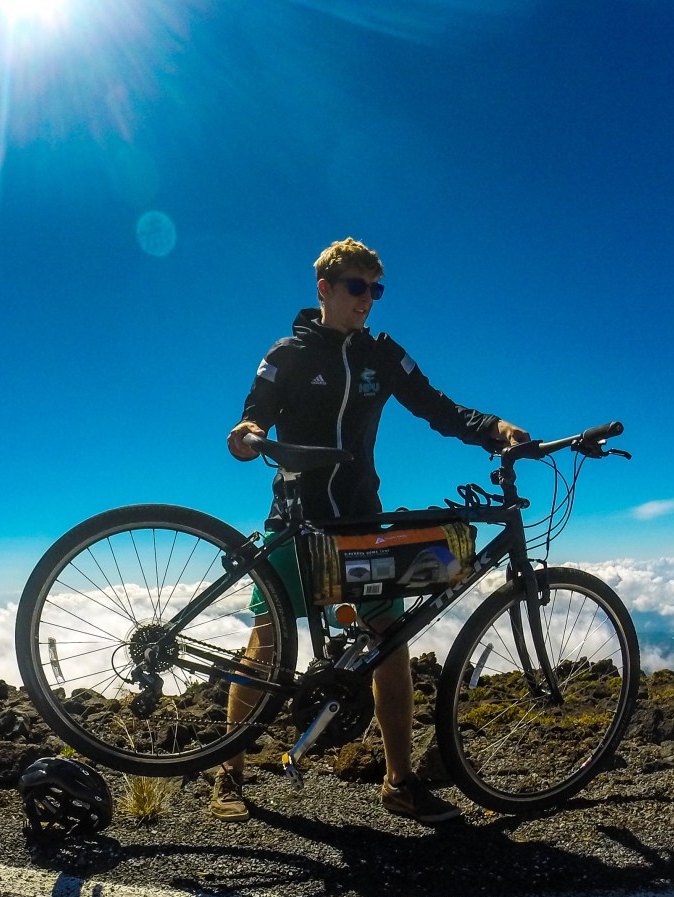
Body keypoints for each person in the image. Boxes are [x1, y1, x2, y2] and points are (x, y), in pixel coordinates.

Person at [213, 237, 528, 825]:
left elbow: (439, 408)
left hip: (361, 519)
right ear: (325, 290)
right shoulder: (288, 353)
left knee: (388, 641)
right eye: (357, 288)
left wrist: (493, 427)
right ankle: (228, 769)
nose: (368, 301)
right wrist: (247, 430)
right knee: (268, 645)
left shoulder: (382, 357)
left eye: (375, 290)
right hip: (297, 519)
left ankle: (399, 782)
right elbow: (257, 409)